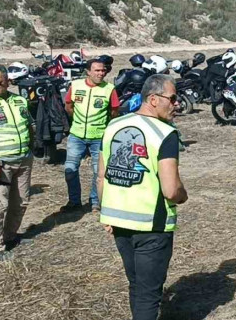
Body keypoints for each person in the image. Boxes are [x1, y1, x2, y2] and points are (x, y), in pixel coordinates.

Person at [98, 74, 187, 320]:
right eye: (173, 98)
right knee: (149, 293)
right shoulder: (164, 133)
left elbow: (101, 176)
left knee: (136, 283)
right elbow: (170, 190)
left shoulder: (113, 126)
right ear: (153, 99)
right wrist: (183, 195)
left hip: (118, 222)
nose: (176, 104)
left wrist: (106, 214)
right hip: (152, 226)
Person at [0, 66, 34, 261]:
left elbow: (28, 125)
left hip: (23, 159)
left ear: (7, 81)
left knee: (21, 201)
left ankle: (10, 236)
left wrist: (30, 148)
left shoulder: (20, 100)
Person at [62, 59, 120, 212]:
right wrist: (78, 122)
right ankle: (74, 201)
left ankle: (95, 201)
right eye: (97, 70)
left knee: (98, 171)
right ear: (88, 71)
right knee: (70, 169)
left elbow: (114, 112)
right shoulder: (75, 86)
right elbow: (69, 106)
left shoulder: (109, 89)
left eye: (103, 70)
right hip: (76, 135)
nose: (101, 73)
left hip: (98, 137)